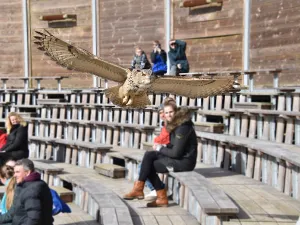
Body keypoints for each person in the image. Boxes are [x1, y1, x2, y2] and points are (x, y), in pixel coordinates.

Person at [123, 102, 198, 207]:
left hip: (184, 163)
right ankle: (141, 190)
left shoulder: (183, 127)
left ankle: (156, 195)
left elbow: (176, 153)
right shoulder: (174, 125)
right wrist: (163, 147)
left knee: (148, 166)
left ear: (176, 112)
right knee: (149, 156)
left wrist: (160, 148)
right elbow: (174, 147)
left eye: (171, 112)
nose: (168, 115)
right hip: (179, 159)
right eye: (166, 113)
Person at [0, 159, 53, 225]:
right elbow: (12, 213)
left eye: (17, 172)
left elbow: (34, 219)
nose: (14, 175)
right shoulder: (21, 186)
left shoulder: (32, 190)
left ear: (27, 172)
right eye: (14, 172)